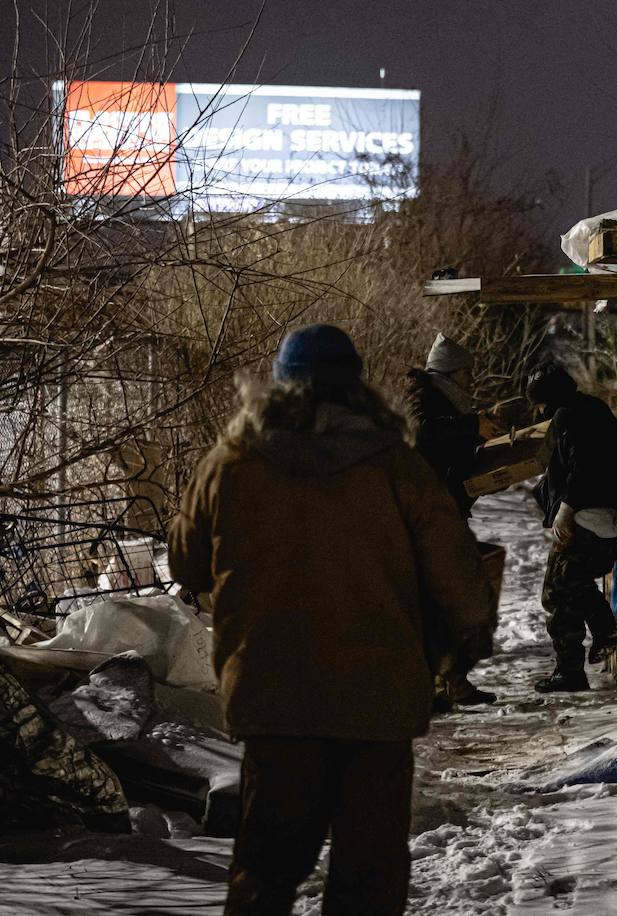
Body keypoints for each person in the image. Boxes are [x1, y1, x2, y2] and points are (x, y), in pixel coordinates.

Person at [169, 324, 495, 916]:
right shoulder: (396, 465)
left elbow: (184, 562)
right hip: (377, 700)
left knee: (265, 870)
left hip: (273, 699)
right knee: (368, 876)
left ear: (278, 386)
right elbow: (460, 580)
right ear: (356, 387)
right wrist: (461, 643)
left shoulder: (230, 464)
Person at [526, 362, 617, 693]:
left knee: (556, 593)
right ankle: (605, 632)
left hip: (585, 519)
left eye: (539, 403)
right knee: (572, 583)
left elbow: (583, 468)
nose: (540, 410)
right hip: (607, 520)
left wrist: (565, 510)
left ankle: (570, 672)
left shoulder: (567, 416)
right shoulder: (593, 407)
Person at [404, 332, 497, 707]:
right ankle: (443, 683)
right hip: (426, 517)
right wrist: (472, 427)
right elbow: (424, 435)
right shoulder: (423, 399)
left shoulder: (442, 400)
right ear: (449, 373)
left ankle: (445, 683)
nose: (471, 380)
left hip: (441, 512)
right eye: (466, 373)